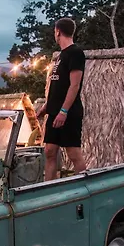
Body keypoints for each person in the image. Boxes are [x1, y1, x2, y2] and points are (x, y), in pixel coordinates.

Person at [37, 17, 87, 180]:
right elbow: (58, 85)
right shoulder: (60, 56)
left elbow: (74, 85)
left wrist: (63, 111)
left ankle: (82, 186)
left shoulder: (76, 53)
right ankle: (49, 188)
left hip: (69, 113)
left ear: (58, 32)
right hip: (54, 112)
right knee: (50, 151)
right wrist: (47, 106)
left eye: (54, 31)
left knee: (73, 153)